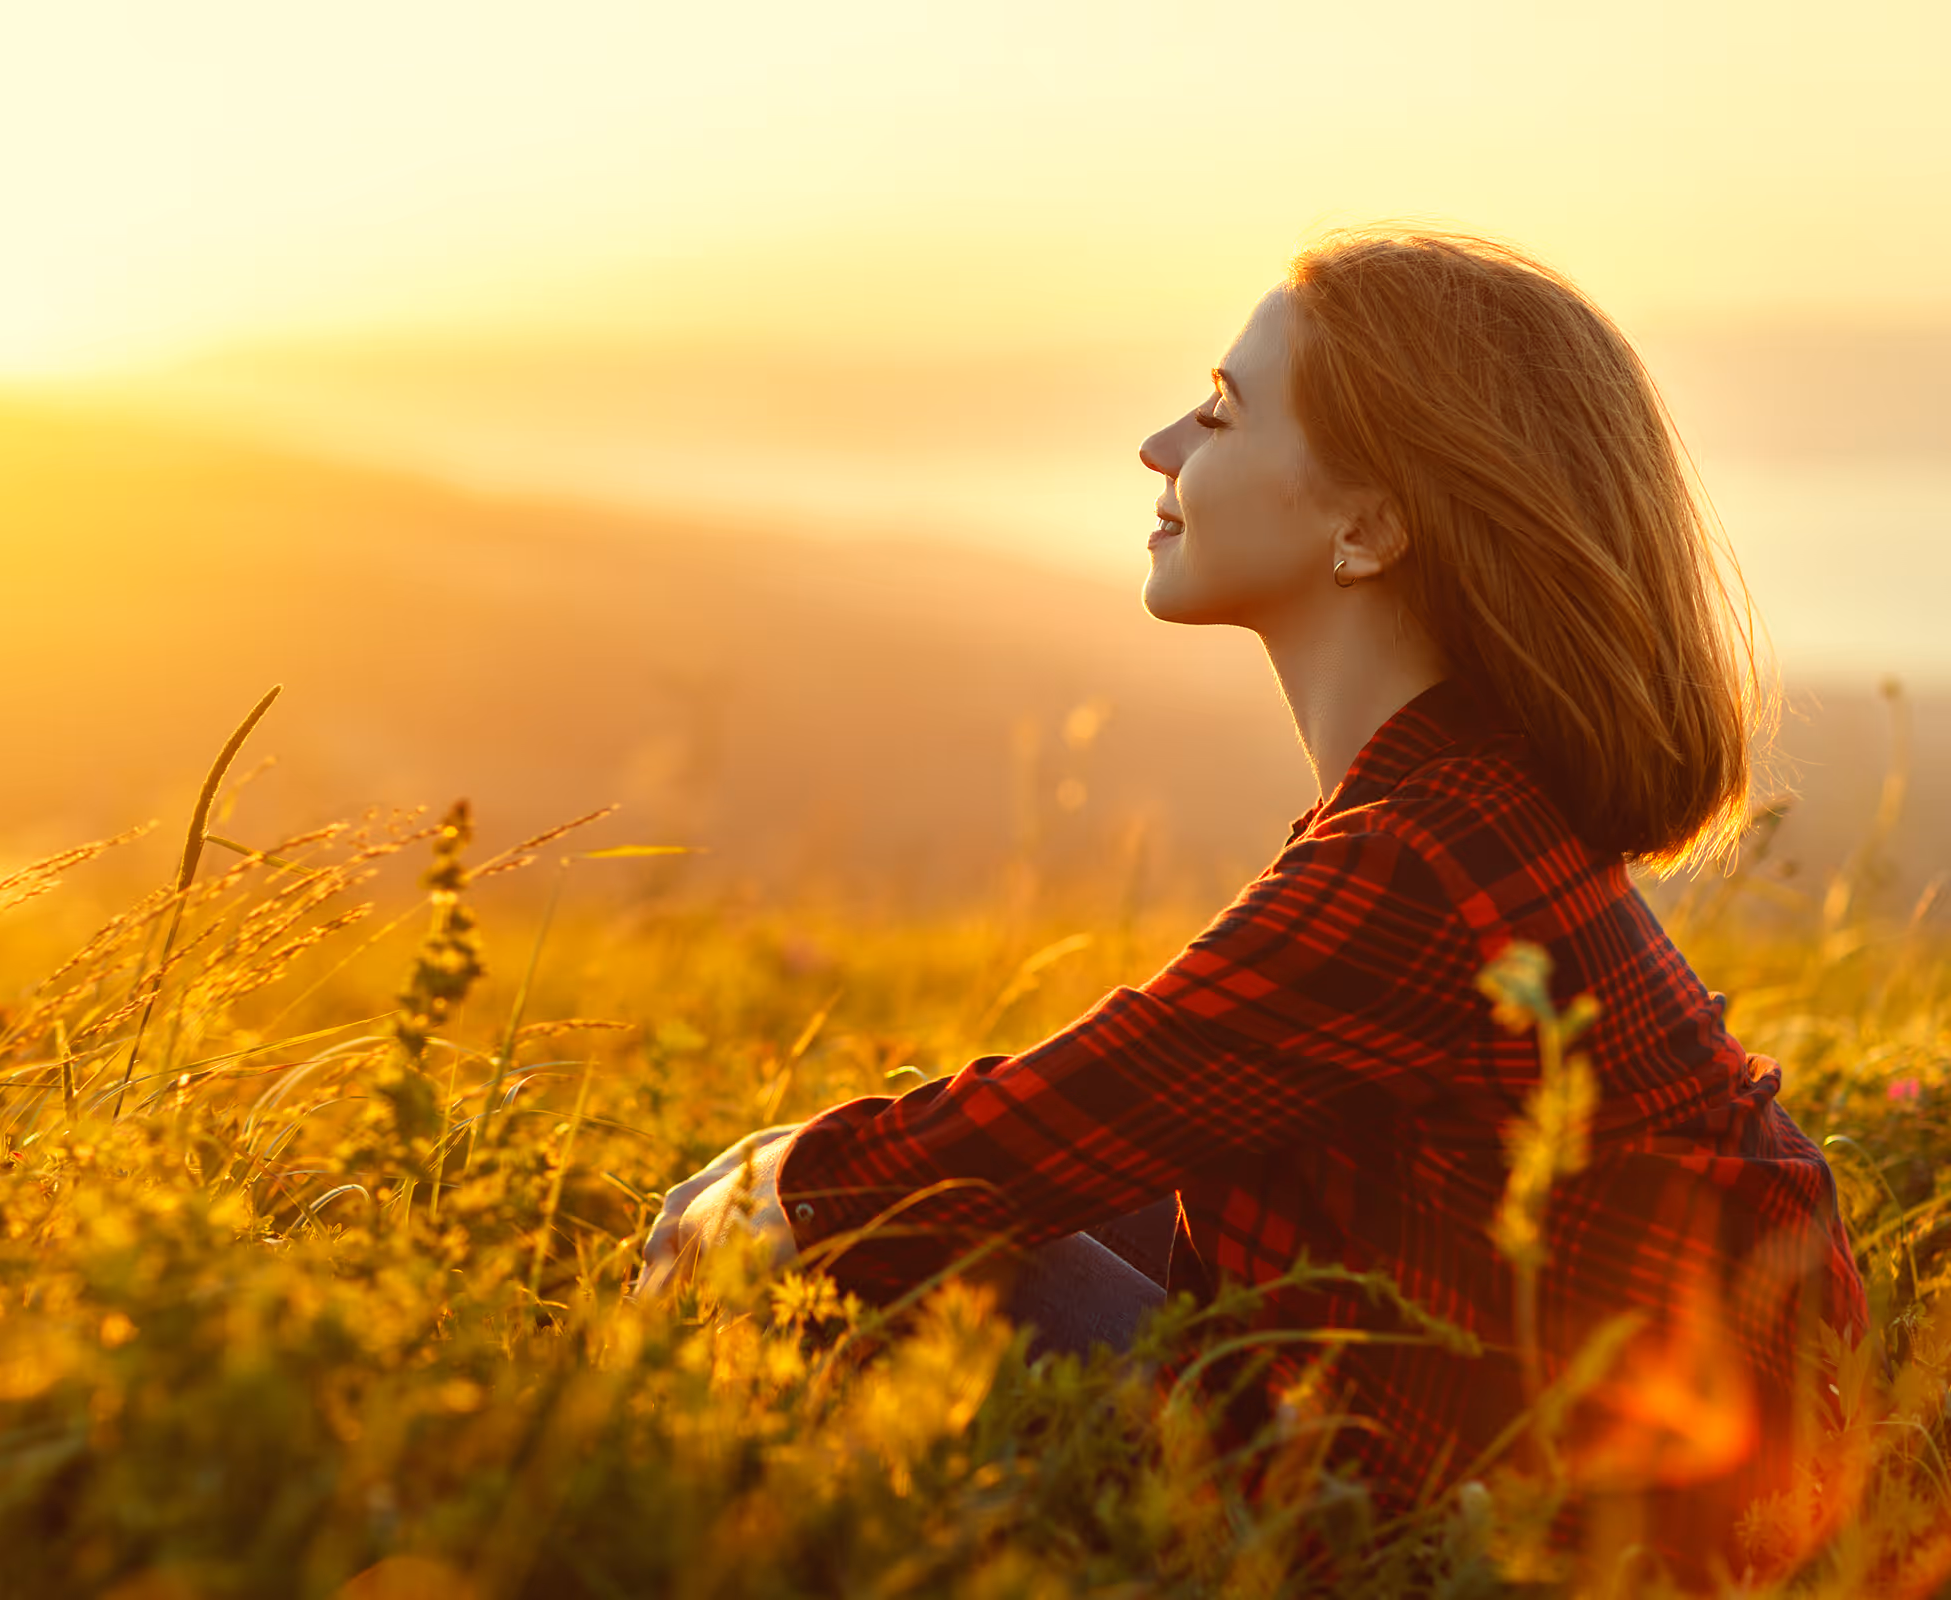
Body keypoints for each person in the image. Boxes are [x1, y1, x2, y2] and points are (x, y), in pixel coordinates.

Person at [630, 228, 1867, 1566]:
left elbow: (1025, 1136)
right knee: (917, 1178)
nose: (1162, 444)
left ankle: (667, 1516)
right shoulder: (1472, 800)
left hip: (1508, 1540)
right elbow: (1122, 1121)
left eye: (1222, 411)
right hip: (1567, 1469)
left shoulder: (1417, 860)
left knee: (880, 1226)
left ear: (1371, 526)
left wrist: (750, 1202)